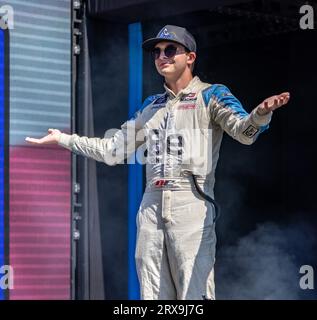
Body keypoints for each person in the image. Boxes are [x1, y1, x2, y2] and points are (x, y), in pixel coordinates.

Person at [26, 25, 290, 300]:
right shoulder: (151, 105)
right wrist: (63, 140)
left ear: (190, 57)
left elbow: (244, 133)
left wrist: (259, 115)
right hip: (151, 203)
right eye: (157, 52)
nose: (162, 56)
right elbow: (112, 151)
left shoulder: (211, 94)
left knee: (194, 293)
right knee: (152, 295)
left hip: (191, 201)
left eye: (170, 50)